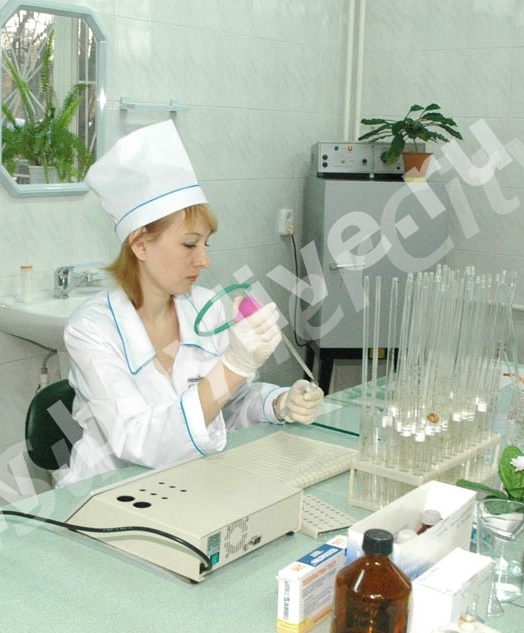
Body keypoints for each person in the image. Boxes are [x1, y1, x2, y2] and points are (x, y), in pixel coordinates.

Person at [57, 120, 324, 486]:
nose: (204, 261)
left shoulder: (205, 309)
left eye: (205, 245)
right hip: (109, 493)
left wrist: (278, 403)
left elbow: (227, 408)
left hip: (189, 485)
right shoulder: (91, 330)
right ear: (140, 245)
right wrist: (233, 367)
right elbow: (138, 440)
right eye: (189, 245)